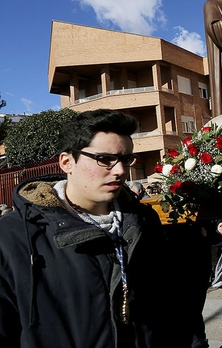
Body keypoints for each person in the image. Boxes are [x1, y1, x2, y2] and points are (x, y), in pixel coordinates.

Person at [0, 109, 206, 347]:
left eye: (125, 159)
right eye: (105, 159)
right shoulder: (14, 237)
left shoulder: (143, 221)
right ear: (67, 162)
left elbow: (173, 307)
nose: (119, 171)